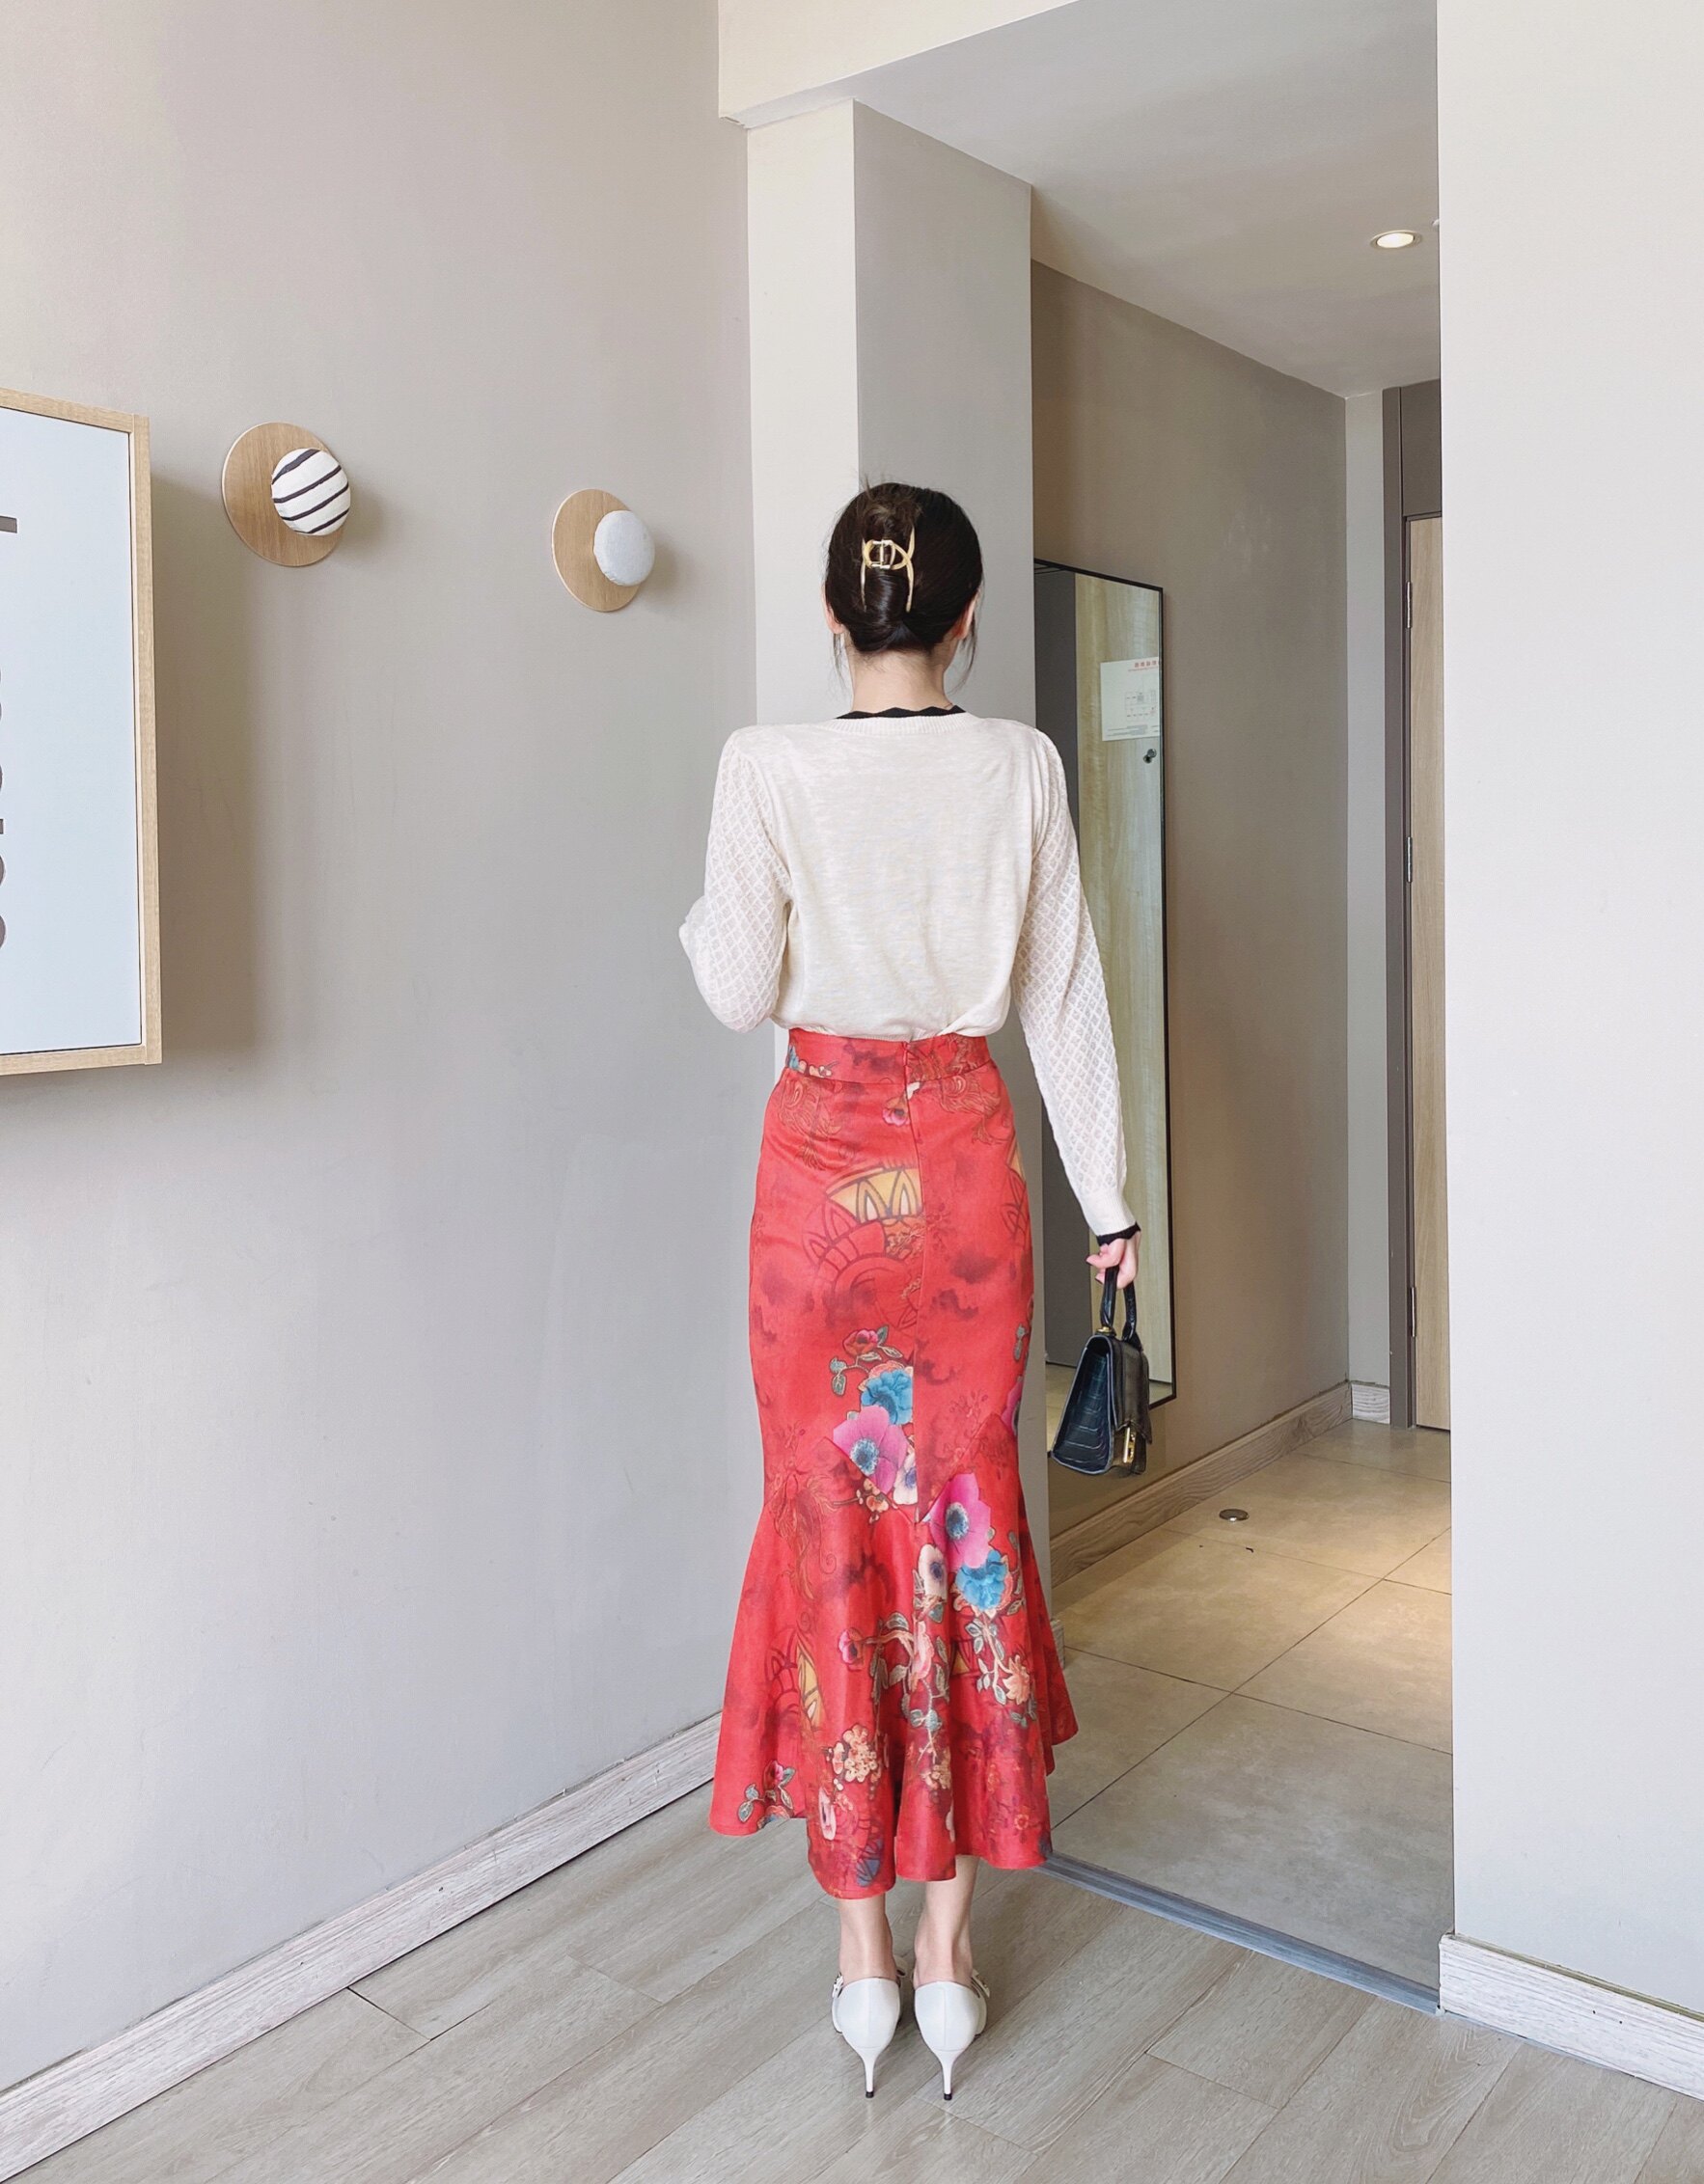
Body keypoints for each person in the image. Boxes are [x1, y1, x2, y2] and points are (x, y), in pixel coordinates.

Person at [679, 481, 1140, 2099]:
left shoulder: (765, 765)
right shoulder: (1020, 764)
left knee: (827, 1520)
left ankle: (861, 1956)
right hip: (961, 1178)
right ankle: (949, 1951)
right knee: (961, 1514)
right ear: (964, 620)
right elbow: (1064, 996)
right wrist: (1110, 1207)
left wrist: (714, 906)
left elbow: (734, 987)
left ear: (833, 614)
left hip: (816, 1189)